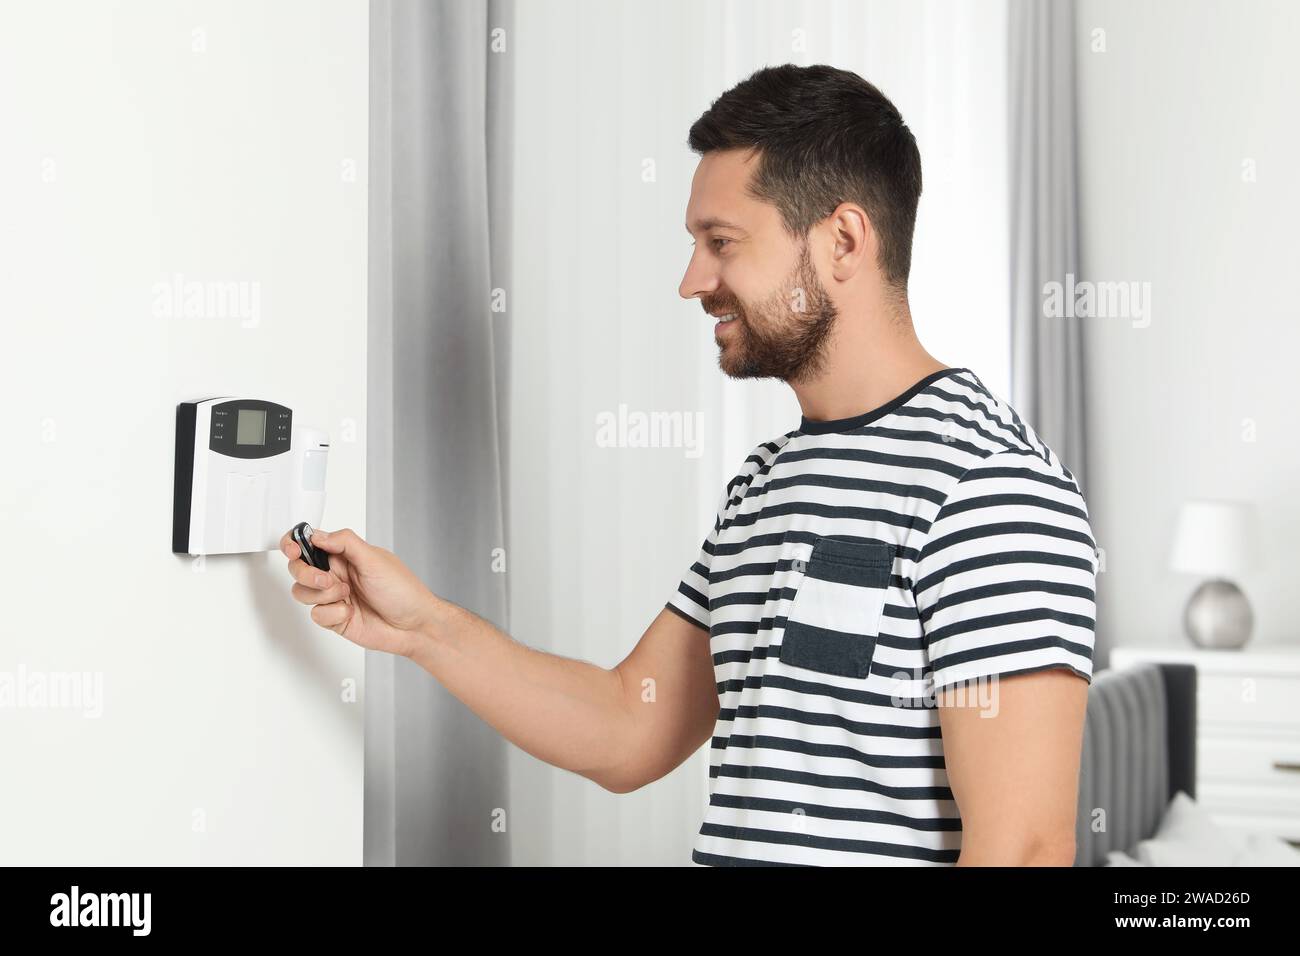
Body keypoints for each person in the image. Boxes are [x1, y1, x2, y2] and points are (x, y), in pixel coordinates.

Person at [280, 63, 1097, 866]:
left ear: (843, 240)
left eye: (722, 242)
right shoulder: (765, 484)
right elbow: (631, 728)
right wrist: (424, 627)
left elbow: (1022, 849)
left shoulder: (989, 491)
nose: (692, 280)